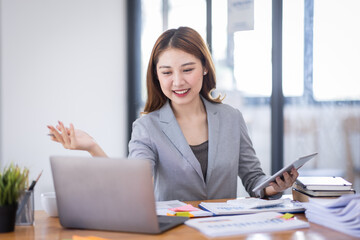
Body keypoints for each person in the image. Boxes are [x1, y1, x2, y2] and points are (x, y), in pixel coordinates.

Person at [48, 26, 298, 201]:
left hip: (225, 233)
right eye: (167, 72)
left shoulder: (231, 117)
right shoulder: (147, 128)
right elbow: (132, 188)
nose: (178, 81)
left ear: (203, 68)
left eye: (187, 69)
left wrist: (272, 187)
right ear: (157, 76)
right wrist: (93, 147)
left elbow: (253, 178)